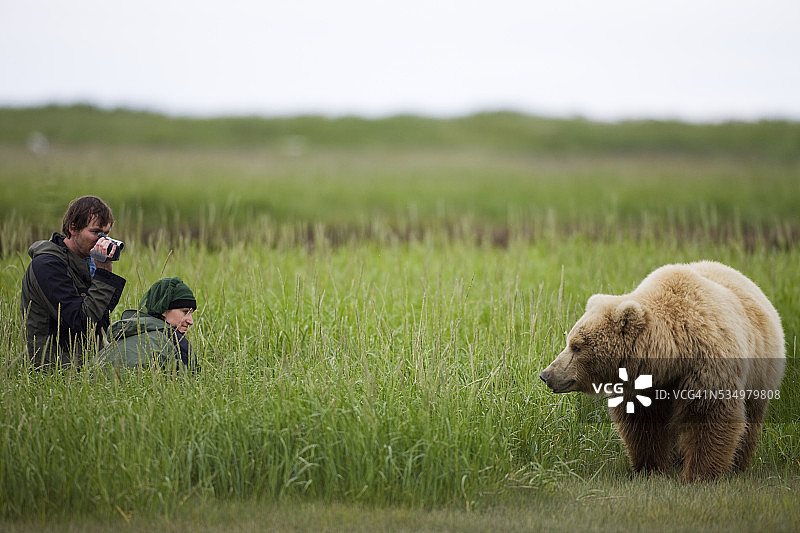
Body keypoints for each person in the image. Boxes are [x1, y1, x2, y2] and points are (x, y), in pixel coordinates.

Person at [20, 195, 126, 369]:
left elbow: (100, 321)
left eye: (106, 233)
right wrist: (103, 276)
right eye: (96, 232)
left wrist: (105, 271)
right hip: (55, 367)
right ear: (73, 228)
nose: (102, 240)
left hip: (87, 363)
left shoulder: (88, 261)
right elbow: (82, 322)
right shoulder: (47, 266)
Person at [98, 277, 200, 373]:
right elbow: (192, 378)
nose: (191, 321)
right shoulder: (175, 340)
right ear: (164, 310)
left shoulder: (118, 340)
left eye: (191, 314)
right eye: (185, 312)